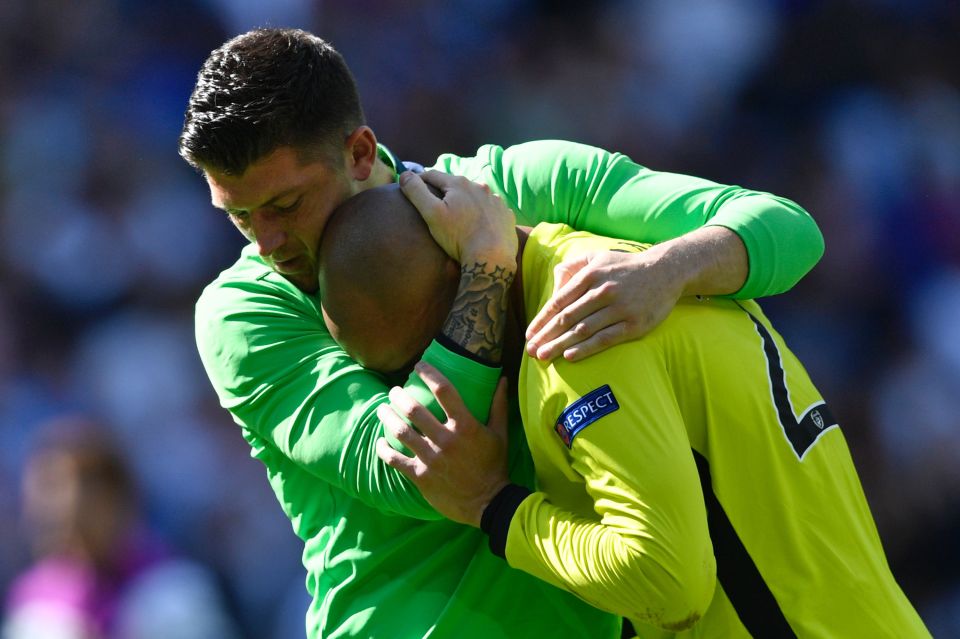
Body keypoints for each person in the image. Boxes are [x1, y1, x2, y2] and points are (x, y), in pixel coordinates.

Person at [179, 27, 825, 638]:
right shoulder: (243, 313)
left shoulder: (515, 184)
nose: (267, 243)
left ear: (359, 152)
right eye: (238, 216)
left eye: (285, 206)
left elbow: (788, 229)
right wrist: (486, 268)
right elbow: (415, 468)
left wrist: (665, 270)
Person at [319, 184, 930, 638]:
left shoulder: (574, 338)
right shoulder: (629, 256)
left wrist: (492, 505)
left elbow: (667, 582)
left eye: (430, 346)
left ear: (467, 273)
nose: (432, 375)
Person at [3, 417, 239, 639]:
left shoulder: (172, 588)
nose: (56, 512)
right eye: (44, 493)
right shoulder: (36, 606)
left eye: (83, 502)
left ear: (117, 498)